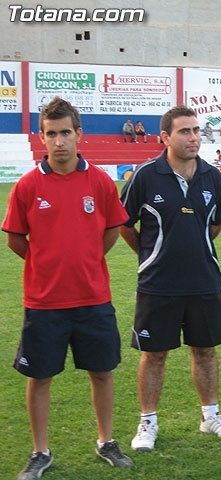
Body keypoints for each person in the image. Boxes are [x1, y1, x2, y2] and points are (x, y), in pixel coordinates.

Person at [3, 97, 133, 479]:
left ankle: (106, 440)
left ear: (79, 134)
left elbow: (112, 228)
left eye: (65, 133)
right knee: (39, 377)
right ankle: (40, 451)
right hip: (44, 302)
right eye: (51, 134)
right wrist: (46, 264)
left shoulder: (100, 182)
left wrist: (88, 259)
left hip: (94, 297)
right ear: (42, 137)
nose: (59, 141)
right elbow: (15, 239)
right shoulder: (27, 186)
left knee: (102, 372)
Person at [120, 105, 221, 453]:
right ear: (165, 137)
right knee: (154, 354)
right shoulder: (144, 176)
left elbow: (215, 224)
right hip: (158, 283)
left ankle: (211, 416)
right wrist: (151, 254)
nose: (192, 137)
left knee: (205, 350)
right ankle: (148, 421)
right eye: (184, 131)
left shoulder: (212, 177)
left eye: (196, 130)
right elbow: (125, 225)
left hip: (204, 280)